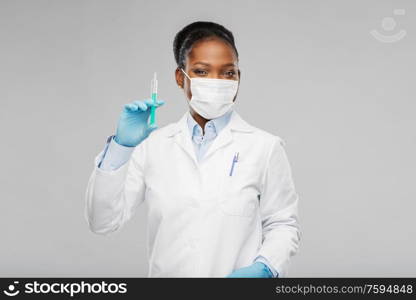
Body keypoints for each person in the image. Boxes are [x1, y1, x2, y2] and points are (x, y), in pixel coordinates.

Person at [85, 21, 301, 278]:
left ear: (239, 78)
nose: (217, 82)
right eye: (201, 71)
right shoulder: (153, 147)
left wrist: (265, 268)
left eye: (228, 73)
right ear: (180, 77)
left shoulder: (264, 147)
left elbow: (283, 224)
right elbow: (102, 222)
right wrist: (121, 147)